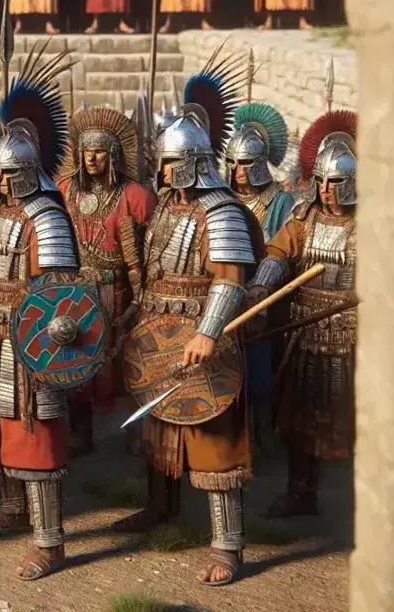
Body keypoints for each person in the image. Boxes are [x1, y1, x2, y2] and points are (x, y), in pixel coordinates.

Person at [119, 68, 259, 586]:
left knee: (213, 438)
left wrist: (207, 332)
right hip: (159, 332)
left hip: (205, 339)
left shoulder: (220, 210)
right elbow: (156, 270)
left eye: (171, 162)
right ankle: (160, 510)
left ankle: (227, 545)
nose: (163, 170)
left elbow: (228, 280)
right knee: (161, 431)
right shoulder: (166, 210)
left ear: (193, 163)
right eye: (163, 162)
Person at [0, 65, 79, 580]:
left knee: (36, 435)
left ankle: (50, 541)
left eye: (10, 174)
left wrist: (40, 346)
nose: (2, 180)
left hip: (29, 344)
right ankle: (12, 510)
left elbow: (57, 297)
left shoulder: (47, 218)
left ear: (30, 172)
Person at [247, 110, 358, 517]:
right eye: (322, 182)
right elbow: (278, 252)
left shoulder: (369, 226)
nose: (326, 190)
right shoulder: (304, 218)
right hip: (305, 332)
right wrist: (263, 284)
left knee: (357, 418)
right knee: (299, 417)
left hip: (353, 337)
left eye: (336, 183)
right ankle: (300, 492)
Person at [55, 106, 157, 457]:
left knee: (127, 360)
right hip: (76, 290)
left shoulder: (135, 196)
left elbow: (155, 245)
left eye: (99, 150)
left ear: (113, 153)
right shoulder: (65, 191)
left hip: (121, 292)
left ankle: (137, 432)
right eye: (86, 150)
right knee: (75, 354)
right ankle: (80, 432)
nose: (92, 157)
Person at [223, 102, 297, 448]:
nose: (238, 170)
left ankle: (261, 433)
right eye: (233, 163)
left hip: (264, 295)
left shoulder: (280, 202)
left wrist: (260, 290)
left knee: (260, 370)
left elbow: (282, 248)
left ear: (260, 164)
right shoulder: (221, 200)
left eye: (246, 163)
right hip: (226, 290)